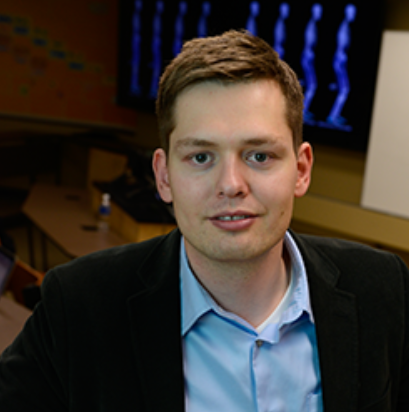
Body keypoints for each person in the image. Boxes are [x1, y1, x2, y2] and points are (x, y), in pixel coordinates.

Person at [0, 30, 408, 412]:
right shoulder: (79, 304)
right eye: (200, 157)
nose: (231, 185)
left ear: (301, 170)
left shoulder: (383, 287)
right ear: (164, 177)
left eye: (259, 156)